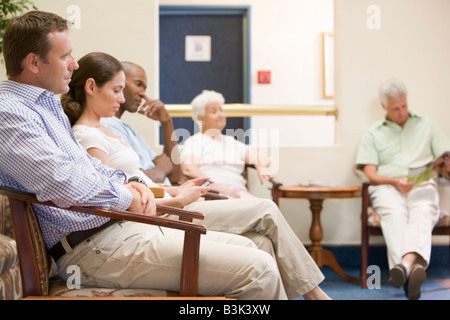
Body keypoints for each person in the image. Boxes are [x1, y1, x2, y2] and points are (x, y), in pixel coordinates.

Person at [0, 11, 326, 300]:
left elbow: (90, 171)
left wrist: (131, 185)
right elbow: (64, 182)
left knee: (258, 249)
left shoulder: (43, 106)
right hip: (90, 246)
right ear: (33, 62)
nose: (73, 63)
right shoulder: (10, 113)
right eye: (66, 56)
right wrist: (130, 193)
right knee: (260, 269)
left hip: (114, 227)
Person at [61, 51, 331, 300]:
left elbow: (136, 183)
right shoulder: (87, 135)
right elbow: (112, 202)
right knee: (265, 213)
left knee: (260, 241)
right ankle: (314, 294)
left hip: (154, 209)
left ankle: (310, 292)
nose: (122, 99)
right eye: (117, 90)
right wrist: (177, 199)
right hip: (139, 222)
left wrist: (175, 190)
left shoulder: (110, 131)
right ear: (92, 87)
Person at [355, 78, 450, 300]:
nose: (402, 111)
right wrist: (394, 182)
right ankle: (412, 272)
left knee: (423, 210)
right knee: (395, 215)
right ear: (384, 107)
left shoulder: (427, 125)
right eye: (395, 108)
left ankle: (404, 267)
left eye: (404, 105)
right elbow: (370, 173)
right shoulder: (373, 133)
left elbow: (444, 160)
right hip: (388, 187)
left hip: (421, 184)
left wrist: (445, 165)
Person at [181, 90, 274, 199]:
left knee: (267, 207)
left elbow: (262, 158)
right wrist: (218, 187)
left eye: (221, 110)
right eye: (213, 111)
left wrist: (261, 166)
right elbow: (189, 169)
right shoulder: (195, 141)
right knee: (265, 208)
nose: (220, 115)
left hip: (238, 194)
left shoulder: (232, 142)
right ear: (200, 118)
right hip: (211, 194)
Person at [100, 62, 180, 186]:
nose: (143, 94)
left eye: (145, 88)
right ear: (119, 83)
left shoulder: (131, 132)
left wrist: (166, 122)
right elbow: (131, 179)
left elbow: (175, 175)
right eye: (138, 84)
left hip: (171, 196)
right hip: (156, 202)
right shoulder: (105, 124)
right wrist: (161, 169)